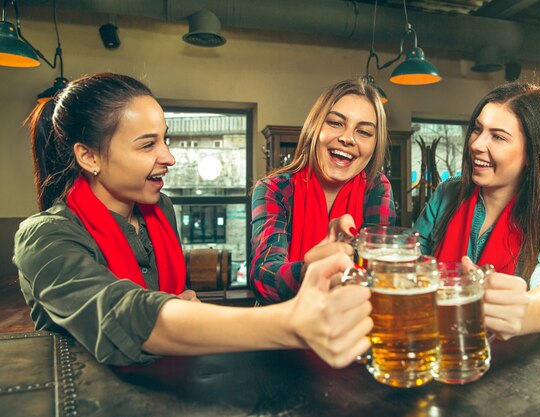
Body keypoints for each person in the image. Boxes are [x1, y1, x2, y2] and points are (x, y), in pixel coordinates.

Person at [13, 73, 373, 367]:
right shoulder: (45, 237)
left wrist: (184, 304)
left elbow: (173, 300)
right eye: (147, 145)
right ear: (89, 156)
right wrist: (291, 324)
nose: (169, 157)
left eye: (165, 140)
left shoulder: (160, 210)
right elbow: (123, 316)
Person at [415, 82, 540, 340]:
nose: (477, 144)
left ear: (533, 154)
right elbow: (409, 261)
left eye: (498, 137)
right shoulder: (447, 194)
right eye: (477, 130)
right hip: (432, 347)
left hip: (504, 363)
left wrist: (525, 311)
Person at [250, 78, 396, 305]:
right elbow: (263, 276)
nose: (347, 138)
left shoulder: (377, 188)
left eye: (364, 132)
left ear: (375, 145)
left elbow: (378, 272)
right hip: (282, 332)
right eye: (336, 123)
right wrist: (310, 271)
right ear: (314, 128)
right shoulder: (274, 189)